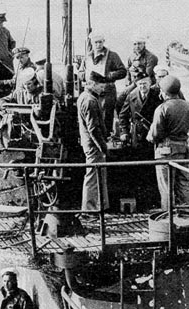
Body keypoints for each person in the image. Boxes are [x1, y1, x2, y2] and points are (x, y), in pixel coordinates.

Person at [147, 75, 189, 210]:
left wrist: (149, 136)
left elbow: (154, 135)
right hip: (183, 151)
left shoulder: (162, 109)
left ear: (164, 93)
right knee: (184, 184)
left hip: (165, 152)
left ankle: (168, 218)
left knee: (166, 187)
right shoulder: (188, 106)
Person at [81, 32, 127, 134]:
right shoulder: (88, 56)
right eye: (96, 42)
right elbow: (81, 70)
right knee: (91, 113)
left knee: (106, 115)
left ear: (103, 42)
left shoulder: (112, 56)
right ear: (92, 43)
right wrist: (84, 76)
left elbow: (123, 71)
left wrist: (109, 76)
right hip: (91, 90)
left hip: (106, 90)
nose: (98, 45)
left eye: (100, 42)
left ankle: (106, 136)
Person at [77, 71, 110, 214]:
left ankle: (98, 207)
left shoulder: (83, 97)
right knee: (92, 176)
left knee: (96, 175)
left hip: (88, 142)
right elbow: (93, 128)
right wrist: (103, 147)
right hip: (93, 145)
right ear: (92, 84)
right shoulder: (90, 101)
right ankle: (89, 209)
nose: (103, 89)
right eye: (100, 86)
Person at [119, 71, 162, 154]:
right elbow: (123, 115)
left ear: (149, 83)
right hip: (136, 133)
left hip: (151, 131)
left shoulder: (157, 96)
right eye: (140, 84)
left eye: (145, 83)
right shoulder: (131, 96)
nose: (142, 86)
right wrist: (124, 131)